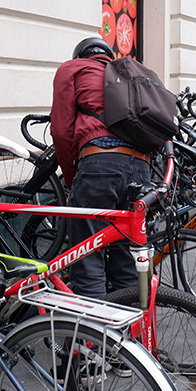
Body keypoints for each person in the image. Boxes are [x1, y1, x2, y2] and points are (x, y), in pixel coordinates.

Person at [50, 37, 152, 299]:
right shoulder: (129, 74)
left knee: (87, 258)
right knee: (126, 260)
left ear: (80, 55)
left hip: (99, 165)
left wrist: (71, 179)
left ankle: (93, 338)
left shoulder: (72, 68)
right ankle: (127, 336)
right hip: (141, 169)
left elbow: (61, 131)